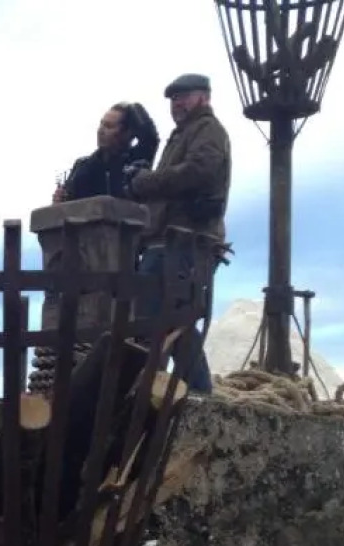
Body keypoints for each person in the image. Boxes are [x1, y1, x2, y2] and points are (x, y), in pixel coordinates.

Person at [127, 73, 233, 394]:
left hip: (187, 240)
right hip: (168, 240)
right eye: (174, 99)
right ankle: (181, 391)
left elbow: (199, 172)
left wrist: (147, 181)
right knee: (162, 319)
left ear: (204, 97)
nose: (177, 104)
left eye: (183, 97)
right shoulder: (184, 134)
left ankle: (197, 392)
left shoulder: (208, 131)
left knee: (171, 318)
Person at [54, 102, 161, 203]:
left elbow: (150, 137)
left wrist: (133, 107)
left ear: (127, 133)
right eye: (101, 124)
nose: (101, 131)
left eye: (109, 126)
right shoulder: (83, 165)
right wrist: (60, 199)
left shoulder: (137, 159)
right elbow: (67, 203)